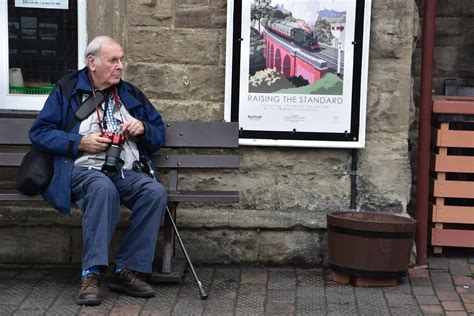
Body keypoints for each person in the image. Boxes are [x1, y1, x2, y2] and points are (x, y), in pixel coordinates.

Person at [29, 36, 167, 306]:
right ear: (92, 62)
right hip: (80, 169)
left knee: (154, 192)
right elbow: (40, 133)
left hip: (123, 169)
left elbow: (158, 134)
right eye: (113, 60)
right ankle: (90, 274)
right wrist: (78, 142)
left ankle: (125, 271)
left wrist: (143, 128)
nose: (120, 66)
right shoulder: (67, 89)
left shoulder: (129, 93)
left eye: (121, 60)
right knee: (102, 188)